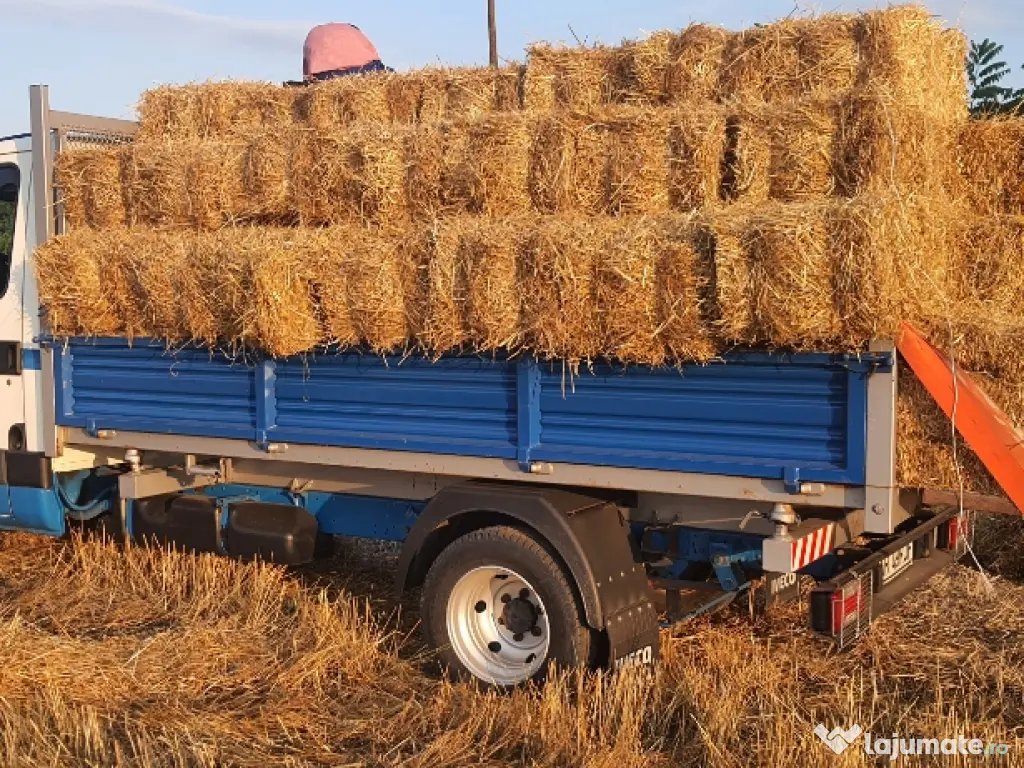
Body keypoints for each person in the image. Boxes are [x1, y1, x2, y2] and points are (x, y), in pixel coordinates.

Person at [302, 23, 392, 81]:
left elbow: (307, 71)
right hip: (367, 69)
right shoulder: (352, 31)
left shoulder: (315, 35)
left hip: (327, 74)